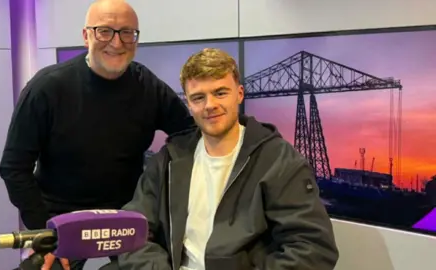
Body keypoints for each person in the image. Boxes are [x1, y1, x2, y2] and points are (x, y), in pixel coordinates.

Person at [0, 0, 193, 269]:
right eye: (104, 31)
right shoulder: (46, 88)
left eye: (127, 32)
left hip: (130, 215)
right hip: (60, 218)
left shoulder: (147, 86)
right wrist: (43, 235)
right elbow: (13, 168)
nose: (117, 42)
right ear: (85, 35)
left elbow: (190, 135)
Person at [112, 48, 339, 270]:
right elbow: (131, 232)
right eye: (199, 97)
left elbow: (313, 248)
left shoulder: (280, 161)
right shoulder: (168, 160)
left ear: (239, 94)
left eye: (220, 93)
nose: (210, 105)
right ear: (189, 105)